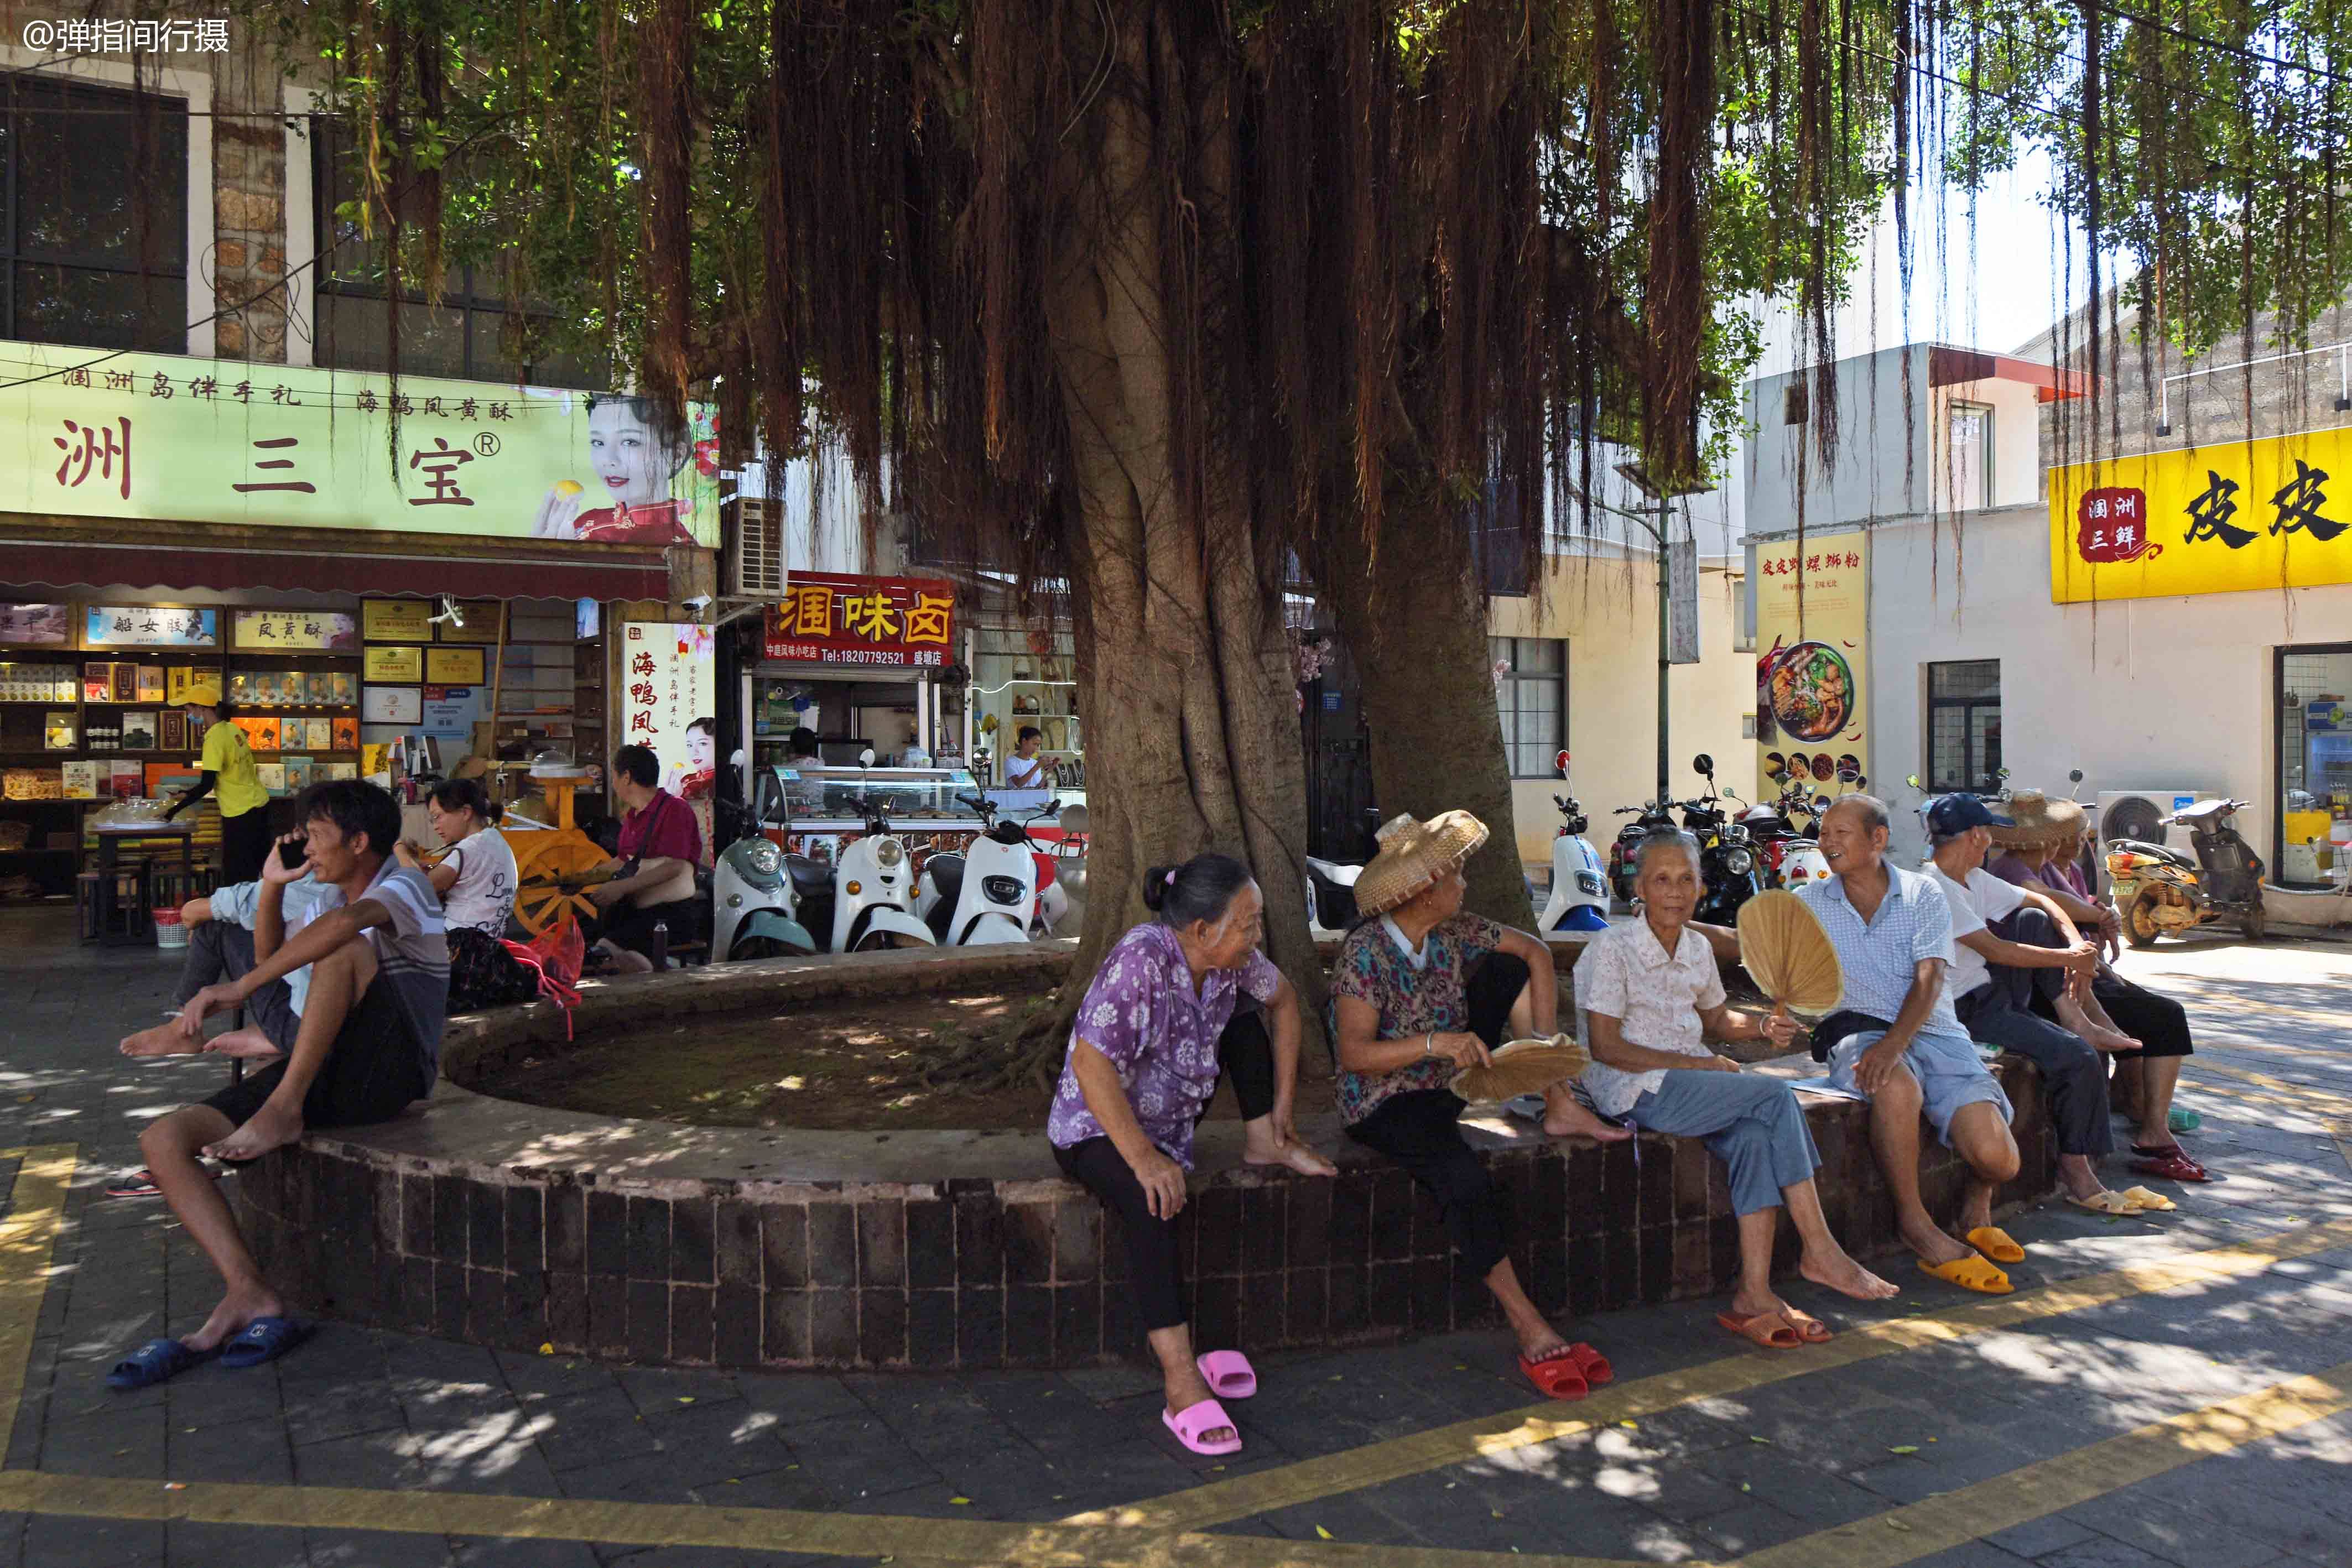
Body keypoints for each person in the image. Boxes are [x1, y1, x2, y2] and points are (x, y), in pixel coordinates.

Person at [107, 780, 449, 1387]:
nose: (310, 852)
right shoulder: (321, 901)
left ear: (360, 841)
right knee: (163, 1141)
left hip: (391, 1072)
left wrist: (234, 988)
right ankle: (248, 1291)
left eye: (317, 838)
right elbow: (271, 974)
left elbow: (344, 934)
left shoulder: (404, 886)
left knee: (340, 950)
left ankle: (285, 1106)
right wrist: (272, 883)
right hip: (322, 1066)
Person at [1330, 809, 1630, 1399]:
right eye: (1454, 876)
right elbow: (1354, 1055)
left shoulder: (1455, 930)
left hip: (1451, 1079)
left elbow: (1536, 954)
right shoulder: (1365, 953)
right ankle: (1526, 1320)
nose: (1463, 883)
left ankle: (1558, 1103)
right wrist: (1435, 1044)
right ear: (1422, 891)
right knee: (1462, 1181)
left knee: (1504, 969)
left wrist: (1547, 1072)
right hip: (1385, 1102)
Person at [1045, 854, 1336, 1456]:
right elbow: (1089, 1065)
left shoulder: (1233, 964)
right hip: (1096, 1128)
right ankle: (1180, 1382)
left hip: (1170, 1125)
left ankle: (1266, 1140)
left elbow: (1283, 1004)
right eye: (1247, 923)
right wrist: (1144, 1159)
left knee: (1242, 1022)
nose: (1257, 935)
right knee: (1150, 1201)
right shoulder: (1141, 960)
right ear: (1202, 930)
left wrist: (1282, 1108)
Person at [1576, 832, 1898, 1348]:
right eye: (1662, 880)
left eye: (1686, 880)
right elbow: (1605, 1046)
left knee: (1752, 1134)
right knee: (1773, 1097)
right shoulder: (1611, 948)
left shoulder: (1697, 947)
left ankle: (1753, 1291)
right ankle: (1820, 1249)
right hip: (1631, 1089)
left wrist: (1760, 1029)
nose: (1675, 892)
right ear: (1639, 887)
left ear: (1701, 888)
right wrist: (1698, 1062)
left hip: (1688, 1082)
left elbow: (1717, 1020)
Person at [1794, 796, 2023, 1295]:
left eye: (1841, 833)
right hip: (1860, 1030)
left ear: (1878, 840)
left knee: (2001, 1161)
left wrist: (1898, 1042)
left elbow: (1929, 977)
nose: (1827, 842)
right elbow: (1756, 944)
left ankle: (1975, 1205)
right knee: (1894, 1087)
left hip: (1935, 1031)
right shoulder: (1809, 902)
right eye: (1824, 832)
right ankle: (1914, 1222)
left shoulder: (1922, 893)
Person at [1924, 795, 2155, 1217]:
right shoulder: (1935, 887)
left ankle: (2072, 1014)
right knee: (2079, 1055)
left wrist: (2075, 942)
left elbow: (2044, 902)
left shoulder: (1973, 877)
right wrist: (2070, 959)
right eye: (1987, 834)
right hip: (1964, 1010)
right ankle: (2077, 1173)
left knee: (2035, 920)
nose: (1990, 841)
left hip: (1991, 989)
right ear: (1977, 836)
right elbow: (1996, 948)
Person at [1989, 801, 2210, 1182]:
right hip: (2040, 982)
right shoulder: (2012, 869)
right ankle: (2152, 1129)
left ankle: (2142, 1110)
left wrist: (2095, 931)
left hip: (2073, 972)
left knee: (2154, 1011)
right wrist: (2095, 922)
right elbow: (2049, 905)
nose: (2076, 842)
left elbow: (2071, 910)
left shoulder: (2056, 868)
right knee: (2164, 1015)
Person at [394, 778, 534, 1013]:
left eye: (438, 817)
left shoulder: (468, 850)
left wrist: (399, 849)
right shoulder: (495, 841)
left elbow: (418, 889)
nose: (436, 826)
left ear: (465, 812)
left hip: (461, 953)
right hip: (488, 950)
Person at [586, 744, 704, 972]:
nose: (613, 783)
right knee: (587, 940)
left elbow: (675, 867)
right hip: (635, 912)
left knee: (607, 949)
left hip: (670, 916)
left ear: (627, 777)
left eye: (614, 776)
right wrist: (582, 879)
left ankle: (656, 988)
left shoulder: (675, 809)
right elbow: (622, 860)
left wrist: (622, 887)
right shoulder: (632, 816)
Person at [531, 395, 698, 546]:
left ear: (676, 455)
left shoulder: (681, 546)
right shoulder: (587, 521)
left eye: (630, 442)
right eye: (598, 443)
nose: (609, 460)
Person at [164, 698, 270, 883]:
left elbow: (207, 784)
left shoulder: (214, 739)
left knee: (238, 875)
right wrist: (188, 793)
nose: (189, 716)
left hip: (240, 811)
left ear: (201, 708)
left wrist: (171, 812)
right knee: (260, 869)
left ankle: (240, 911)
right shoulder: (232, 729)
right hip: (259, 804)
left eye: (189, 710)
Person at [1003, 725, 1051, 789]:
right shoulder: (1010, 761)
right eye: (1034, 744)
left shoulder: (1035, 763)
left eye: (1038, 745)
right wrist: (1037, 766)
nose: (1036, 748)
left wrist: (1049, 771)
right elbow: (1018, 784)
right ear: (1024, 741)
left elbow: (1038, 788)